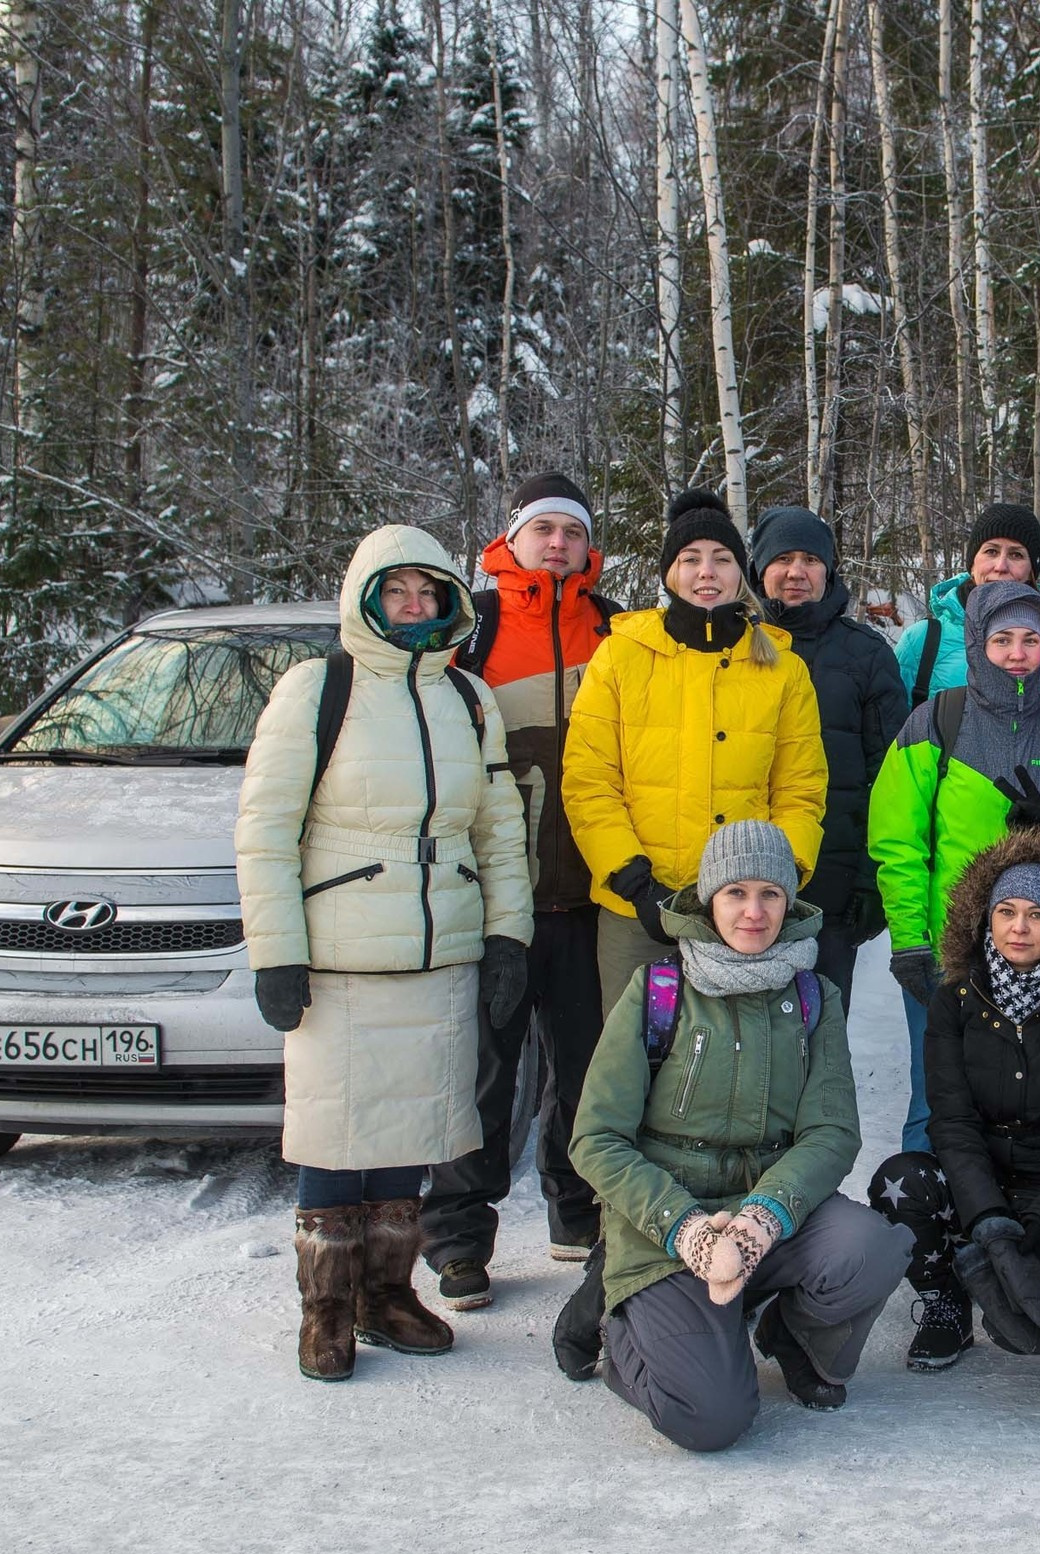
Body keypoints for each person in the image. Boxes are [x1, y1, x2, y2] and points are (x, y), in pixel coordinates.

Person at [234, 525, 534, 1381]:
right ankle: (325, 1310)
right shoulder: (315, 691)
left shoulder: (467, 698)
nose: (413, 605)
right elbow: (265, 831)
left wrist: (507, 936)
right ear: (365, 598)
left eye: (428, 592)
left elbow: (499, 832)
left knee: (414, 1130)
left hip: (439, 957)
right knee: (333, 1136)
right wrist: (276, 953)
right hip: (341, 960)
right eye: (396, 590)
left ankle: (389, 1295)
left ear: (448, 603)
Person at [565, 821, 913, 1452]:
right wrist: (685, 1229)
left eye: (770, 895)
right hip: (669, 1224)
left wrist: (765, 1216)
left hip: (767, 1214)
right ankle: (627, 1331)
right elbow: (596, 1139)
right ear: (707, 899)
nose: (754, 912)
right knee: (712, 1419)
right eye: (735, 893)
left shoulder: (814, 997)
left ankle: (795, 1337)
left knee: (873, 1247)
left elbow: (831, 1131)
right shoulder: (658, 991)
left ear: (790, 901)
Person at [416, 475, 620, 1306]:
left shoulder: (617, 631)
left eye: (572, 532)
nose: (559, 545)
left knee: (585, 1069)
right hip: (498, 898)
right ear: (514, 541)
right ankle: (460, 1238)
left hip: (589, 899)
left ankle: (576, 1211)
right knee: (484, 1076)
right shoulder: (478, 626)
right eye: (544, 531)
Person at [564, 488, 830, 1012]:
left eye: (722, 559)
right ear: (669, 573)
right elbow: (589, 780)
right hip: (636, 909)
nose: (706, 572)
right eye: (691, 559)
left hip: (745, 913)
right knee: (634, 1062)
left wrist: (777, 879)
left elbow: (801, 790)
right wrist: (633, 880)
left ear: (740, 574)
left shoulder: (782, 668)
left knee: (735, 1066)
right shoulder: (619, 656)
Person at [866, 828, 1040, 1371]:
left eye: (1037, 914)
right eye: (1006, 911)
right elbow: (950, 1120)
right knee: (898, 1179)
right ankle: (946, 1300)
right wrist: (989, 1219)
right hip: (979, 1177)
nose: (1019, 927)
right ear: (986, 919)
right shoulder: (954, 1000)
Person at [866, 580, 1040, 1153]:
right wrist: (912, 942)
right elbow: (898, 843)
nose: (1017, 654)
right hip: (951, 951)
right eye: (1001, 640)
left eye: (1031, 641)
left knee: (1028, 1098)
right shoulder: (937, 720)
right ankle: (920, 1220)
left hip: (1039, 950)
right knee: (937, 1099)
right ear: (976, 644)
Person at [753, 504, 908, 998]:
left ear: (828, 570)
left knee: (820, 1033)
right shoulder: (730, 646)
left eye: (810, 559)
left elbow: (891, 777)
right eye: (783, 559)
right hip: (742, 883)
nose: (796, 572)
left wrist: (870, 880)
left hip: (832, 886)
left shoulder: (867, 654)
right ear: (759, 568)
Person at [891, 502, 1040, 738]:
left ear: (1031, 570)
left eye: (1016, 554)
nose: (1001, 566)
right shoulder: (923, 641)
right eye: (991, 551)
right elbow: (893, 742)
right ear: (972, 562)